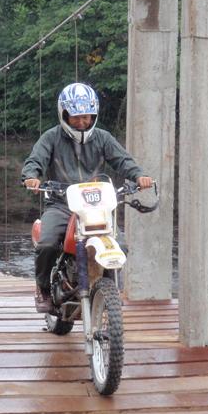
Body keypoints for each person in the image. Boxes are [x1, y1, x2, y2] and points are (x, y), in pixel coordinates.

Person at [21, 83, 153, 313]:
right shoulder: (51, 137)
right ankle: (43, 288)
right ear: (64, 115)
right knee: (47, 243)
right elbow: (35, 160)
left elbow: (123, 161)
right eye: (76, 117)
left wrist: (139, 175)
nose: (82, 122)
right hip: (61, 204)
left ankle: (110, 290)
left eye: (86, 117)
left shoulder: (103, 138)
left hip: (95, 206)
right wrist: (31, 177)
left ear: (94, 115)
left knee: (120, 245)